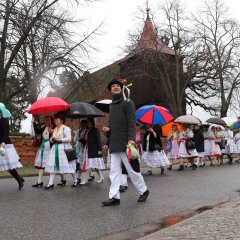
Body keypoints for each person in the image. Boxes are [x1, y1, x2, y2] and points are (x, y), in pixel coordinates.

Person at [101, 79, 149, 206]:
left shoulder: (127, 102)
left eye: (118, 86)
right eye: (113, 86)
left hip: (126, 143)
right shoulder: (111, 105)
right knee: (114, 171)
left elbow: (132, 122)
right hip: (114, 142)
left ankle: (143, 191)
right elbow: (113, 123)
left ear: (121, 89)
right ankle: (114, 197)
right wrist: (108, 128)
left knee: (131, 170)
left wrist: (131, 139)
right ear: (110, 90)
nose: (115, 87)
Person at [44, 112, 77, 189]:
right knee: (53, 165)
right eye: (55, 119)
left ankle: (75, 180)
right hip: (55, 149)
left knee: (68, 165)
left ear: (61, 120)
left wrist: (59, 139)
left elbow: (69, 139)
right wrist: (52, 139)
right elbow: (52, 139)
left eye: (57, 119)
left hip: (64, 149)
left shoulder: (66, 128)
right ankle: (50, 183)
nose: (55, 121)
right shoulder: (55, 129)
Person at [0, 109, 24, 190]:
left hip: (5, 144)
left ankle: (19, 179)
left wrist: (3, 142)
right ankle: (19, 178)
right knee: (7, 166)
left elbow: (6, 132)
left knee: (9, 165)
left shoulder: (4, 119)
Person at [80, 118, 105, 185]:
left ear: (92, 122)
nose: (88, 123)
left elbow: (98, 140)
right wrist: (81, 138)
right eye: (87, 122)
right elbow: (86, 140)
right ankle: (101, 177)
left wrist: (99, 149)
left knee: (89, 165)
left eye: (89, 122)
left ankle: (84, 180)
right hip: (88, 149)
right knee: (94, 165)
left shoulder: (95, 130)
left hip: (93, 149)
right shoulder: (87, 130)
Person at [32, 115, 54, 187]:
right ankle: (39, 182)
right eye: (46, 120)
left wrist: (52, 133)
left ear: (51, 120)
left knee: (53, 164)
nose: (47, 121)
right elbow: (38, 131)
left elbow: (57, 136)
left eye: (48, 119)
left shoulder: (55, 127)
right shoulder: (45, 127)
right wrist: (34, 123)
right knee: (41, 164)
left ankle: (62, 179)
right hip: (43, 147)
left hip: (51, 148)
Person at [73, 119, 88, 184]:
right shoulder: (78, 131)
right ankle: (78, 178)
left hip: (83, 149)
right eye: (81, 123)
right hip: (77, 149)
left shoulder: (86, 131)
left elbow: (85, 140)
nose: (82, 125)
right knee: (78, 164)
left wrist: (81, 138)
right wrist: (77, 135)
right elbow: (75, 139)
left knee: (82, 164)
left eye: (83, 124)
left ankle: (83, 178)